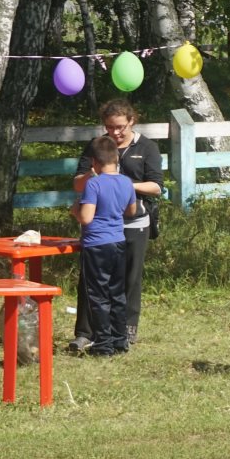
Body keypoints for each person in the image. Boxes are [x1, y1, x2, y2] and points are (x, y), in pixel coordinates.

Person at [69, 100, 164, 351]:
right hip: (100, 227)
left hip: (134, 223)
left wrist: (122, 185)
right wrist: (95, 173)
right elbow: (78, 183)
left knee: (129, 279)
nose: (115, 132)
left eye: (120, 127)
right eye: (110, 127)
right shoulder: (97, 146)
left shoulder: (147, 147)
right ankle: (85, 332)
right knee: (90, 281)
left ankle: (125, 330)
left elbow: (156, 186)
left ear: (132, 121)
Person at [70, 136, 139, 355]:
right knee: (117, 293)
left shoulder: (94, 183)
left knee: (97, 295)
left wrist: (75, 210)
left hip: (96, 245)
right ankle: (120, 340)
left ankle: (102, 344)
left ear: (93, 162)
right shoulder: (126, 182)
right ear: (116, 158)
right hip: (119, 241)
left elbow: (86, 218)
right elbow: (131, 212)